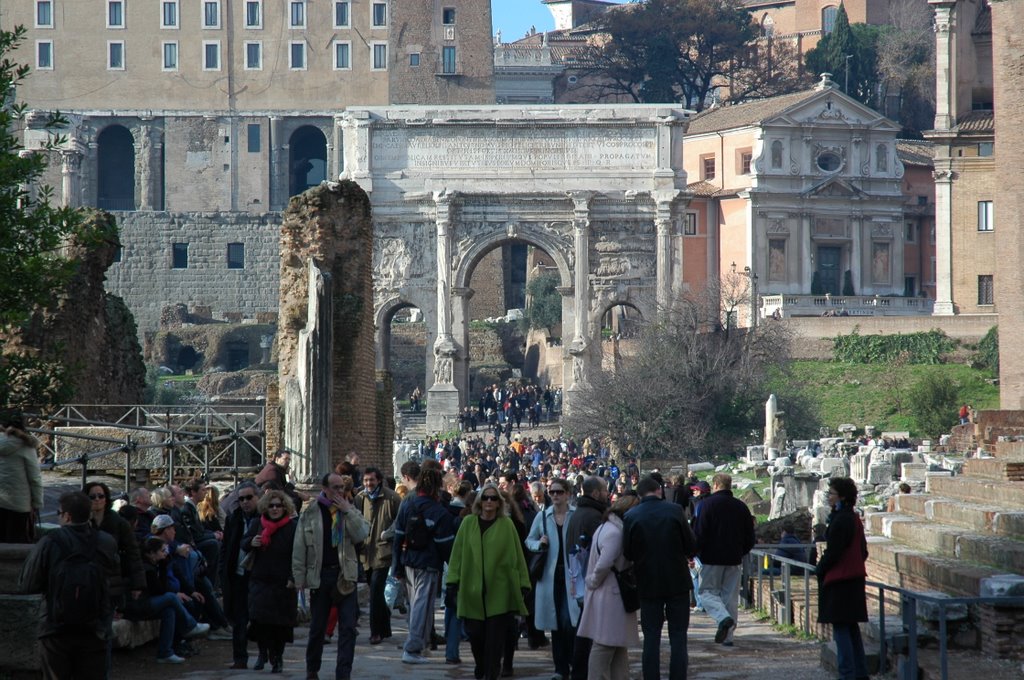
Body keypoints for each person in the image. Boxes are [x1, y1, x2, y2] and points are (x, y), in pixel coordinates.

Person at [19, 491, 120, 680]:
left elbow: (27, 584)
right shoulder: (106, 541)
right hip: (94, 625)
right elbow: (114, 575)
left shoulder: (49, 542)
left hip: (55, 625)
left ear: (66, 516)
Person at [446, 482, 530, 680]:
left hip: (499, 591)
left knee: (495, 641)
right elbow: (457, 554)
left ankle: (492, 672)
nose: (489, 501)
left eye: (493, 498)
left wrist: (524, 583)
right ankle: (481, 664)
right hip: (472, 590)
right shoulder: (468, 523)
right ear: (479, 501)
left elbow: (518, 555)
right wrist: (452, 581)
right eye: (486, 498)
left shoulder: (507, 525)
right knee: (475, 636)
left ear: (499, 503)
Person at [292, 473, 369, 680]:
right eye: (334, 487)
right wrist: (299, 578)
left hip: (345, 575)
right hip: (321, 575)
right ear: (324, 489)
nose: (339, 491)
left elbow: (362, 533)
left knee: (348, 628)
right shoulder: (311, 513)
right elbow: (299, 547)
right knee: (318, 627)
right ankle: (312, 668)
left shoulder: (349, 510)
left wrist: (348, 512)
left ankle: (343, 672)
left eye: (341, 487)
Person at [622, 475, 697, 680]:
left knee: (651, 637)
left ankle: (651, 677)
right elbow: (691, 545)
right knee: (678, 637)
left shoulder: (631, 516)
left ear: (640, 494)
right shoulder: (674, 511)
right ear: (659, 491)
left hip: (647, 582)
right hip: (677, 580)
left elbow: (627, 553)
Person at [392, 466, 457, 665]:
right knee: (422, 605)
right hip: (428, 563)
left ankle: (422, 644)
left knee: (418, 606)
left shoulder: (407, 504)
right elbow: (445, 545)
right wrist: (454, 567)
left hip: (408, 561)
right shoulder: (438, 511)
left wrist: (397, 566)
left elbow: (398, 536)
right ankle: (412, 649)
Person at [577, 493, 641, 680]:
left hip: (608, 593)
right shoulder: (616, 533)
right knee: (604, 645)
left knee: (617, 645)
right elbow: (605, 563)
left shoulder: (606, 527)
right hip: (612, 595)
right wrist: (593, 580)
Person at [693, 473, 755, 647]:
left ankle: (723, 618)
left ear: (715, 485)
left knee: (706, 593)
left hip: (711, 558)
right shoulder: (741, 507)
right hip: (734, 557)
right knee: (730, 597)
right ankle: (728, 637)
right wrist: (742, 551)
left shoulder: (706, 505)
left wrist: (696, 552)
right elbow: (750, 535)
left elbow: (700, 533)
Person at [525, 477, 579, 680]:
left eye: (558, 492)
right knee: (556, 623)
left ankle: (573, 662)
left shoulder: (575, 515)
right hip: (550, 575)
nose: (555, 495)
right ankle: (560, 668)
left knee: (568, 621)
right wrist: (539, 543)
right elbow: (529, 540)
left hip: (571, 574)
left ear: (567, 494)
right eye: (552, 492)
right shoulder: (543, 516)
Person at [817, 477, 869, 680]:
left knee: (841, 628)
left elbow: (834, 552)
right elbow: (863, 550)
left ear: (842, 497)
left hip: (840, 579)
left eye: (831, 493)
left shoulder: (841, 520)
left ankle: (847, 674)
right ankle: (860, 673)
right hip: (854, 577)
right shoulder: (853, 518)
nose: (828, 497)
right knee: (851, 627)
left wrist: (820, 569)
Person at [242, 489, 298, 673]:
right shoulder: (258, 523)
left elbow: (297, 555)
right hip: (261, 579)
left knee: (280, 625)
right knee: (260, 622)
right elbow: (244, 542)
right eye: (271, 505)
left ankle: (278, 657)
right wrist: (252, 542)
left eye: (278, 505)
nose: (274, 509)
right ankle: (262, 653)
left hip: (283, 582)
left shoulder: (292, 527)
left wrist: (293, 577)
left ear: (285, 507)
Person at [130, 536, 211, 664]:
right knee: (171, 597)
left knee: (169, 610)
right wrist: (163, 567)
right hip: (137, 606)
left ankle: (165, 652)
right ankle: (191, 626)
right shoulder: (146, 569)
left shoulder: (155, 564)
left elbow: (163, 586)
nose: (165, 554)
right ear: (151, 553)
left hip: (149, 603)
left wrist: (163, 564)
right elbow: (159, 590)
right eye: (162, 551)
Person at [564, 476, 609, 680]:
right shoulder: (592, 516)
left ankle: (581, 671)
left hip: (582, 579)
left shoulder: (580, 513)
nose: (608, 494)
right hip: (591, 580)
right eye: (605, 490)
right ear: (596, 493)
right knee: (590, 634)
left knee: (585, 629)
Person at [355, 466, 402, 645]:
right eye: (365, 481)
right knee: (376, 592)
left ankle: (376, 632)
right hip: (365, 551)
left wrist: (388, 534)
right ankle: (385, 626)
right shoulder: (360, 498)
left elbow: (400, 521)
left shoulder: (392, 497)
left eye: (371, 480)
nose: (368, 484)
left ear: (379, 480)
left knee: (375, 590)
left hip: (383, 551)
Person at [221, 481, 260, 669]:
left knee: (260, 618)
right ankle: (240, 658)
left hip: (259, 576)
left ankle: (265, 656)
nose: (245, 502)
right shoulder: (233, 518)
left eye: (249, 498)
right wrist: (223, 573)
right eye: (241, 498)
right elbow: (226, 547)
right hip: (238, 574)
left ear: (257, 498)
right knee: (239, 619)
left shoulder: (265, 518)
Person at [0, 413, 43, 543]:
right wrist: (37, 503)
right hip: (20, 505)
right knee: (18, 544)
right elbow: (35, 478)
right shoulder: (26, 447)